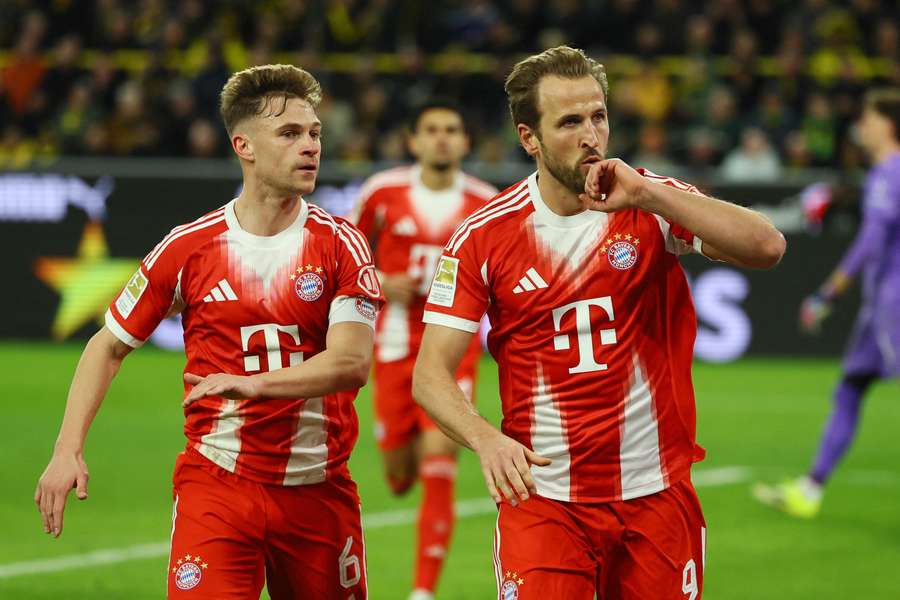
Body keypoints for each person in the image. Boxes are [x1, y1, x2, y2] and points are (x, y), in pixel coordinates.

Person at [412, 46, 786, 599]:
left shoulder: (650, 202)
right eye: (569, 122)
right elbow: (430, 374)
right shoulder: (484, 237)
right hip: (544, 500)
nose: (591, 135)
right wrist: (485, 439)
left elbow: (767, 246)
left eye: (599, 116)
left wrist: (650, 193)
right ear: (528, 138)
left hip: (656, 496)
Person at [34, 64, 382, 599]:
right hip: (218, 485)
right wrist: (67, 449)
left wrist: (254, 385)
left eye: (314, 133)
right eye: (289, 134)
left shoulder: (342, 245)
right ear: (243, 145)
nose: (310, 146)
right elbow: (107, 344)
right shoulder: (189, 247)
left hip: (318, 488)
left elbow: (351, 363)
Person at [348, 99, 497, 600]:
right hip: (390, 345)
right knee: (397, 475)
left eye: (451, 129)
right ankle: (398, 456)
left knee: (441, 460)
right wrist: (379, 281)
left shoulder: (486, 203)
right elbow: (346, 253)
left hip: (453, 348)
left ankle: (422, 592)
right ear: (413, 141)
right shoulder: (382, 192)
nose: (441, 138)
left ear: (465, 142)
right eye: (430, 129)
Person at [754, 88, 900, 519]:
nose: (862, 127)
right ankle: (810, 489)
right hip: (879, 308)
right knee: (850, 387)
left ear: (888, 125)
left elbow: (871, 241)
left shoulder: (888, 173)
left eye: (869, 119)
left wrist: (828, 292)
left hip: (894, 305)